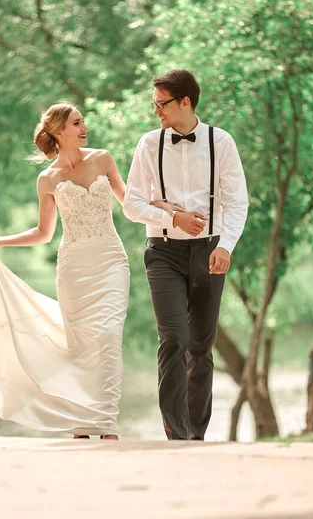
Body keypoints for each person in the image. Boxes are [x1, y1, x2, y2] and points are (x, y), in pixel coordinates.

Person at [0, 102, 130, 440]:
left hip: (111, 262)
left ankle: (105, 422)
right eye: (76, 122)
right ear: (59, 131)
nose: (84, 126)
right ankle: (81, 422)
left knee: (107, 338)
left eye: (82, 121)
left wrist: (162, 209)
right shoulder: (48, 179)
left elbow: (128, 201)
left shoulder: (102, 159)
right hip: (74, 269)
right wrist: (0, 241)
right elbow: (44, 233)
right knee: (79, 345)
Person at [123, 69, 248, 441]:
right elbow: (131, 203)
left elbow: (237, 202)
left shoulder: (220, 142)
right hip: (163, 252)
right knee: (174, 338)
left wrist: (225, 245)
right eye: (154, 104)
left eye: (161, 104)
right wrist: (170, 215)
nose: (155, 112)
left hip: (210, 250)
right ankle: (175, 432)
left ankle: (196, 434)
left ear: (185, 103)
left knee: (200, 346)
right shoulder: (149, 144)